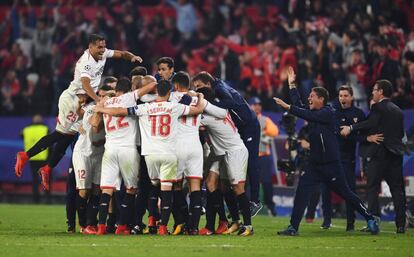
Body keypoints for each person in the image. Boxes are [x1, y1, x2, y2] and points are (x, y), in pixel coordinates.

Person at [14, 33, 143, 191]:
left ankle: (47, 168)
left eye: (104, 46)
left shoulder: (103, 53)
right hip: (72, 100)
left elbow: (121, 54)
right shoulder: (86, 62)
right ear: (91, 47)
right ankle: (26, 156)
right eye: (99, 47)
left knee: (69, 136)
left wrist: (132, 57)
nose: (103, 50)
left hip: (84, 101)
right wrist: (97, 100)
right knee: (62, 134)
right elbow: (86, 84)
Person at [273, 67, 379, 236]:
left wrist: (288, 107)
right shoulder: (314, 112)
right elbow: (301, 108)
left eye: (312, 96)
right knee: (301, 193)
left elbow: (306, 114)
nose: (309, 98)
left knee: (346, 193)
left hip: (331, 164)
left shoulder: (327, 113)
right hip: (314, 165)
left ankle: (370, 218)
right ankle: (293, 227)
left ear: (321, 99)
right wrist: (292, 85)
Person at [95, 79, 207, 235]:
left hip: (149, 155)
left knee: (153, 184)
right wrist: (200, 97)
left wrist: (101, 108)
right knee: (166, 188)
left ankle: (113, 225)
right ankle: (162, 227)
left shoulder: (145, 107)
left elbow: (120, 112)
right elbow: (198, 109)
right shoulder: (175, 107)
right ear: (169, 93)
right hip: (169, 153)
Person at [192, 71, 262, 216]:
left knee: (251, 163)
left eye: (199, 86)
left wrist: (209, 104)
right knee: (235, 167)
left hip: (249, 125)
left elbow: (231, 103)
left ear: (208, 84)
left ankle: (255, 201)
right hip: (239, 127)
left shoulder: (220, 89)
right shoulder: (216, 88)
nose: (198, 90)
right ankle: (239, 203)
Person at [340, 80, 407, 233]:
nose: (372, 93)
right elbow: (400, 134)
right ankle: (401, 225)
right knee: (397, 189)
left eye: (374, 90)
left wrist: (351, 127)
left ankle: (374, 222)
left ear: (381, 92)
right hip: (396, 153)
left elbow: (370, 123)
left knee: (372, 187)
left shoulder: (377, 107)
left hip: (380, 153)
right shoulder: (398, 110)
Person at [197, 86, 253, 236]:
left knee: (237, 187)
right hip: (220, 152)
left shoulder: (209, 117)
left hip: (235, 151)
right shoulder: (219, 109)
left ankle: (248, 226)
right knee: (211, 183)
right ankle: (234, 221)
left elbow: (193, 121)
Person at [249, 97, 279, 216]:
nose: (257, 107)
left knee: (267, 183)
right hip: (249, 156)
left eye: (259, 105)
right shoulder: (247, 118)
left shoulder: (265, 119)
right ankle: (246, 206)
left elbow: (275, 131)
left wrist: (262, 133)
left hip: (263, 156)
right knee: (247, 183)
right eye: (255, 105)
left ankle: (271, 207)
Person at [21, 114, 49, 203]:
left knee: (35, 180)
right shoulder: (45, 128)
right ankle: (47, 199)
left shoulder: (26, 130)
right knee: (46, 179)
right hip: (44, 158)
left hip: (32, 158)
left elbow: (21, 135)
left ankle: (36, 199)